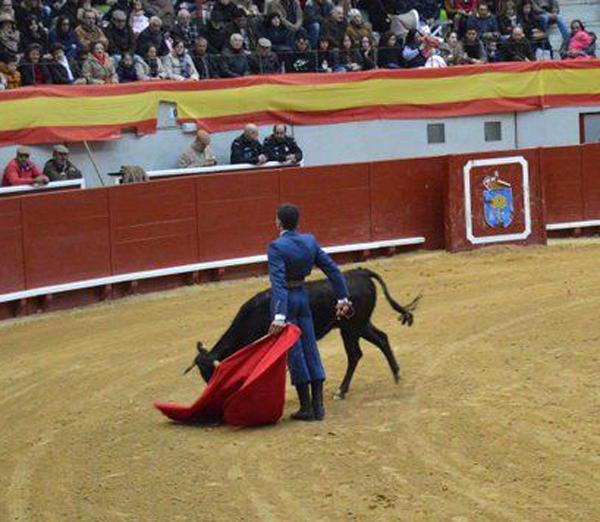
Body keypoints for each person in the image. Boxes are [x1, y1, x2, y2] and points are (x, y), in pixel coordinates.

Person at [267, 203, 351, 421]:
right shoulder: (309, 241)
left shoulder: (276, 247)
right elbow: (332, 269)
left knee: (295, 351)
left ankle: (306, 408)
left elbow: (278, 284)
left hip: (288, 299)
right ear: (298, 222)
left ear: (279, 222)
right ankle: (318, 406)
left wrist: (279, 315)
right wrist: (342, 297)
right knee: (310, 346)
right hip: (304, 297)